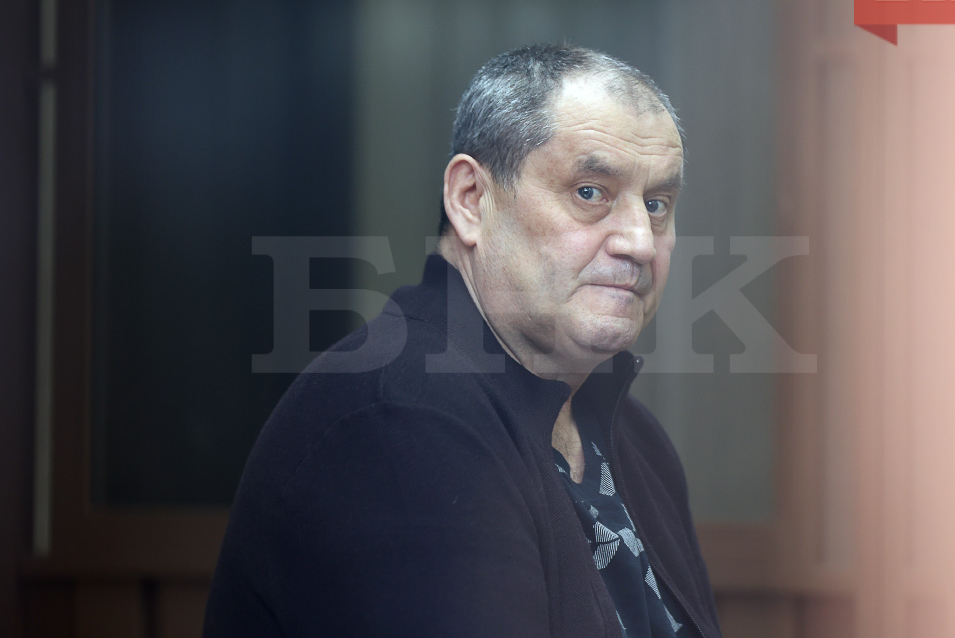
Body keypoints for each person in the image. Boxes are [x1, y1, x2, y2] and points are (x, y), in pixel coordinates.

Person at [204, 44, 722, 638]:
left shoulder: (637, 439)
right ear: (471, 200)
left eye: (656, 205)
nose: (640, 242)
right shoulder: (395, 421)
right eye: (590, 192)